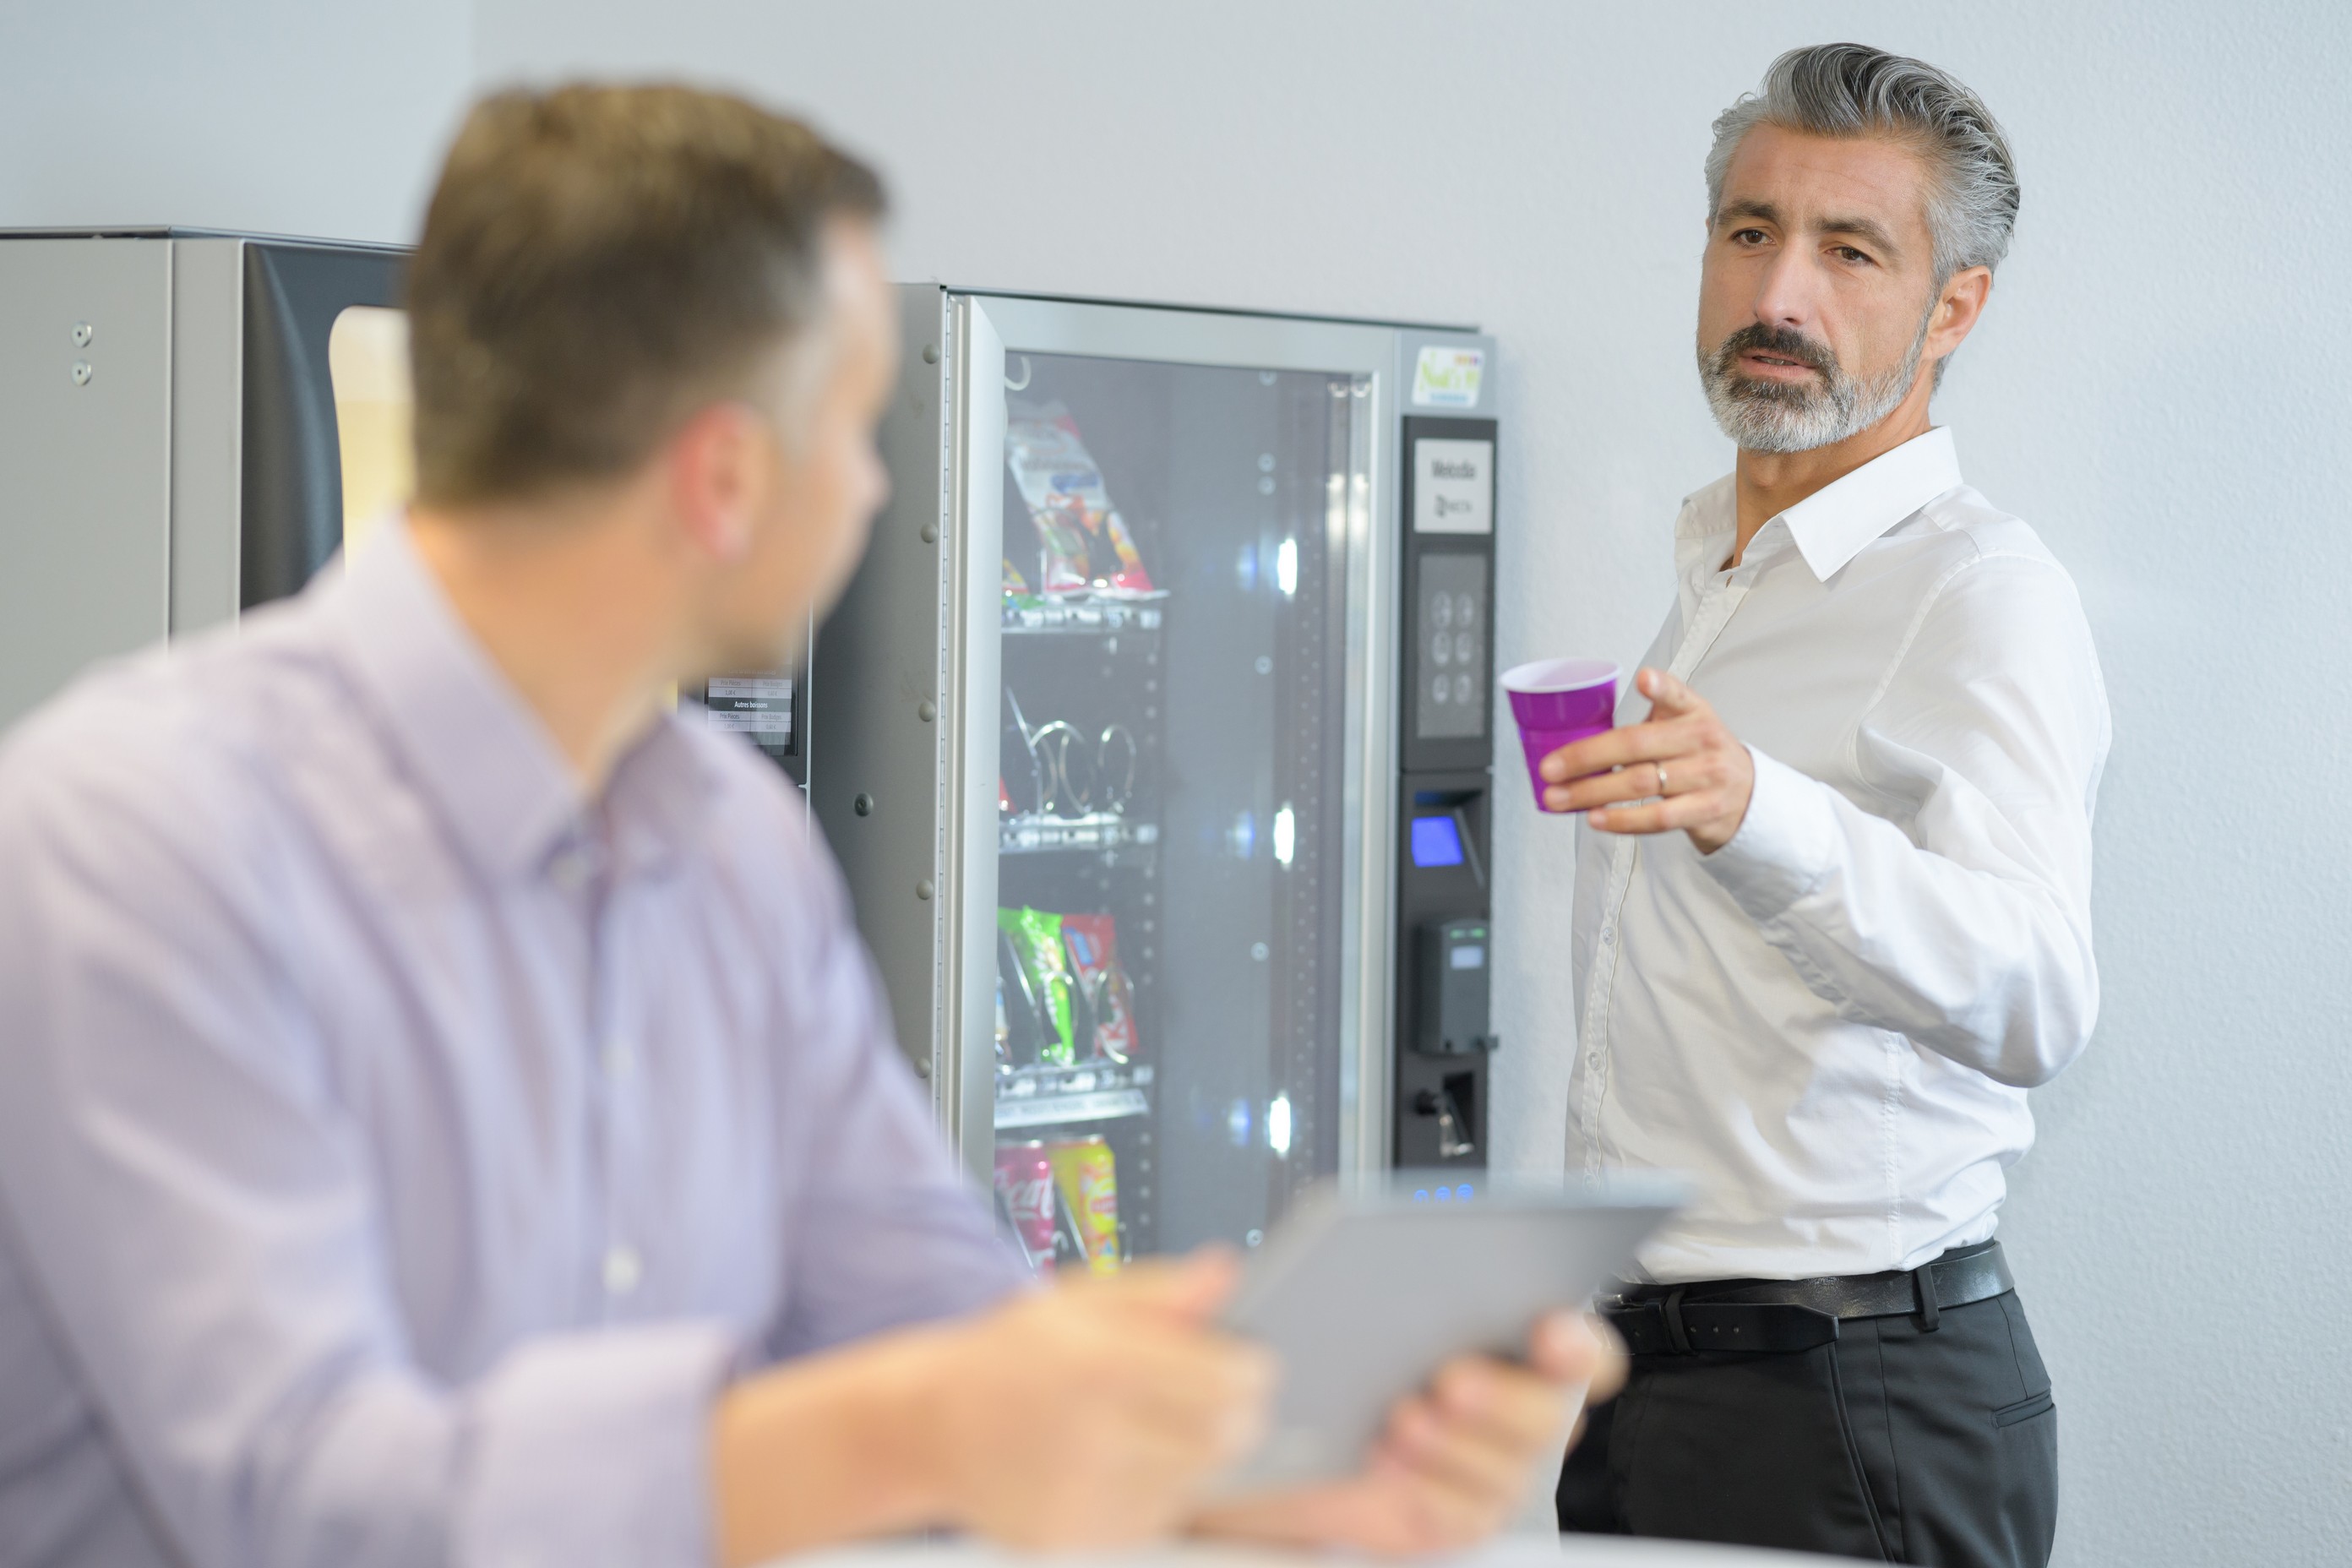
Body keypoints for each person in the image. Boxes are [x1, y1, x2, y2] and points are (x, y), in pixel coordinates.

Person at [0, 84, 1618, 1568]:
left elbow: (931, 1315)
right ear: (721, 479)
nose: (869, 488)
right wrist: (909, 1431)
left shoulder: (729, 846)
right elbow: (306, 1504)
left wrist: (1264, 1462)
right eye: (853, 427)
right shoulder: (140, 839)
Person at [1544, 43, 2104, 1568]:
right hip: (1647, 1381)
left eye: (1849, 250)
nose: (1778, 293)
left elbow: (2038, 996)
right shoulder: (1719, 577)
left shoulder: (1979, 593)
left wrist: (1758, 812)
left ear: (1955, 307)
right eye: (1748, 231)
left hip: (1847, 1401)